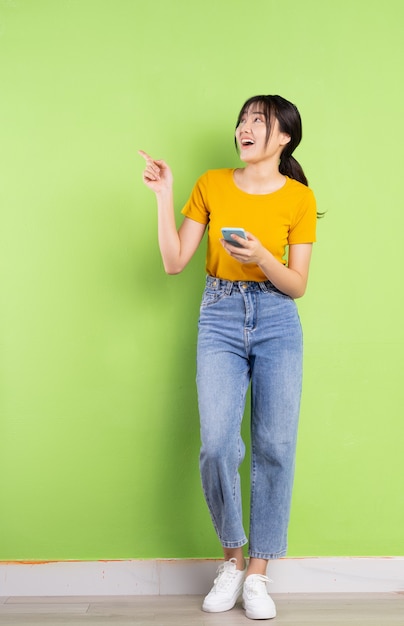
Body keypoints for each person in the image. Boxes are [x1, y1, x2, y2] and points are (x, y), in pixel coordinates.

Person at [139, 94, 318, 620]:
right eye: (243, 120)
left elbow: (298, 284)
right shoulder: (211, 184)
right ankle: (232, 560)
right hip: (218, 313)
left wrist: (263, 257)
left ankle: (259, 575)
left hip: (278, 317)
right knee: (217, 443)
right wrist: (164, 193)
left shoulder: (299, 198)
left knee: (275, 445)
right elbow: (175, 262)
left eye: (258, 121)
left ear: (283, 137)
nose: (245, 127)